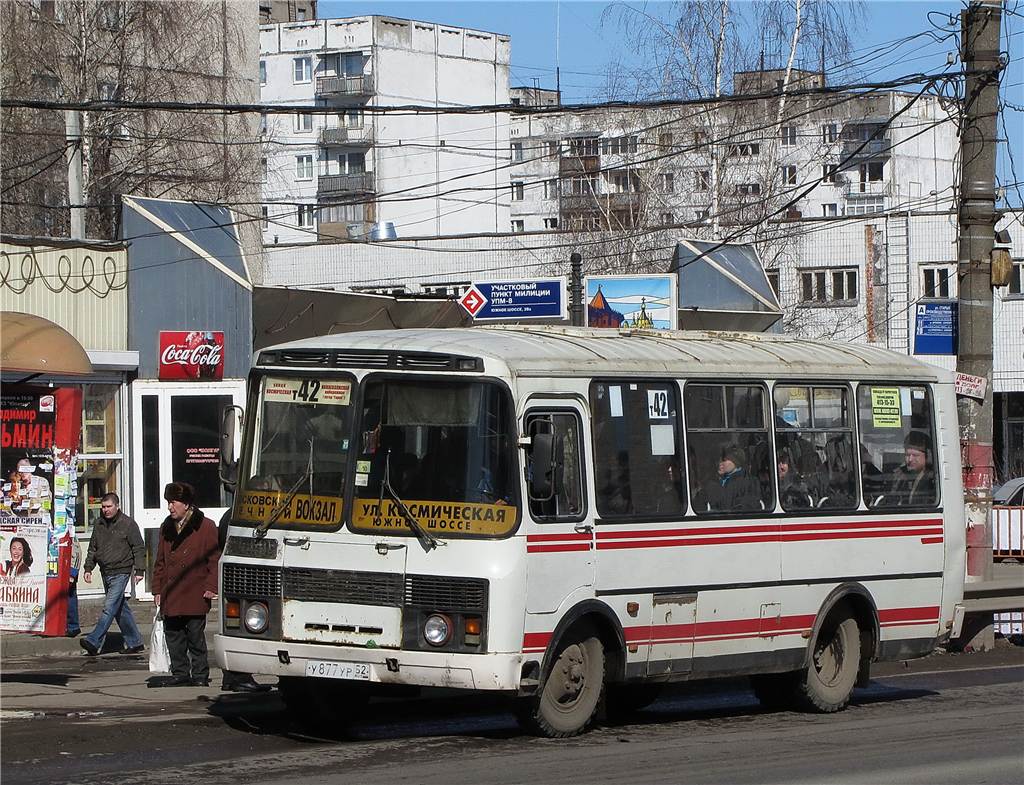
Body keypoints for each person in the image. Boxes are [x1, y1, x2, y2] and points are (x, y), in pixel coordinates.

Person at [150, 482, 220, 688]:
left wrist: (211, 586)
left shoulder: (205, 526)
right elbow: (160, 560)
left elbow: (214, 560)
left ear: (187, 504)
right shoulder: (166, 526)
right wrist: (157, 589)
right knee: (174, 635)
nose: (170, 507)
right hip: (171, 591)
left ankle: (200, 674)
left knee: (195, 636)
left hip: (194, 590)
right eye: (168, 503)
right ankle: (180, 672)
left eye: (173, 503)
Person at [80, 494, 146, 656]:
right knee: (120, 608)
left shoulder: (128, 524)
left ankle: (94, 640)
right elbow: (92, 548)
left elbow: (138, 547)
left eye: (109, 506)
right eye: (103, 507)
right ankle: (135, 642)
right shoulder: (99, 524)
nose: (106, 510)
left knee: (109, 608)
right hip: (106, 570)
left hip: (121, 570)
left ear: (117, 506)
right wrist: (88, 568)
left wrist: (139, 570)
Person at [217, 508, 271, 693]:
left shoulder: (230, 515)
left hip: (235, 578)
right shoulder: (246, 516)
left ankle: (230, 677)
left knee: (233, 626)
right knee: (241, 629)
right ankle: (240, 678)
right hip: (247, 578)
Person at [704, 445, 761, 512]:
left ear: (735, 462)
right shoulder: (713, 482)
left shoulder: (749, 482)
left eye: (724, 460)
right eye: (719, 459)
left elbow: (748, 507)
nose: (720, 463)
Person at [887, 430, 936, 507]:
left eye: (915, 455)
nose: (910, 459)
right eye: (907, 455)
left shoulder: (932, 481)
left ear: (927, 456)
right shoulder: (907, 476)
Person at [66, 536, 82, 637]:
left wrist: (72, 573)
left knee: (70, 598)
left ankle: (73, 627)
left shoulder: (70, 533)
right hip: (52, 571)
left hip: (68, 571)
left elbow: (77, 553)